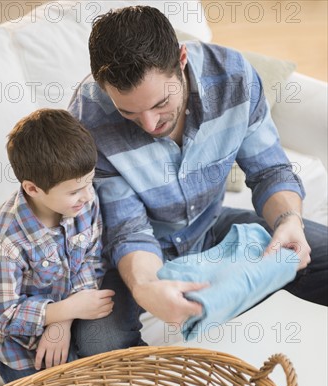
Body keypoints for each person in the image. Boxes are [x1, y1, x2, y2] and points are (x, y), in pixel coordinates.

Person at [69, 5, 328, 347]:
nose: (149, 125)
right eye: (129, 112)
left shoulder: (233, 77)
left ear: (181, 58)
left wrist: (289, 220)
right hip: (129, 258)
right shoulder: (88, 119)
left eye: (161, 103)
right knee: (99, 345)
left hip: (210, 226)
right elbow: (127, 230)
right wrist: (147, 287)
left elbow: (270, 171)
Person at [0, 108, 138, 383]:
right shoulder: (4, 240)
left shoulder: (83, 201)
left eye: (89, 182)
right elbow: (2, 315)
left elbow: (91, 259)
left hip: (71, 309)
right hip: (19, 342)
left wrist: (64, 319)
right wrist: (63, 311)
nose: (87, 196)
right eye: (74, 191)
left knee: (109, 371)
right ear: (32, 189)